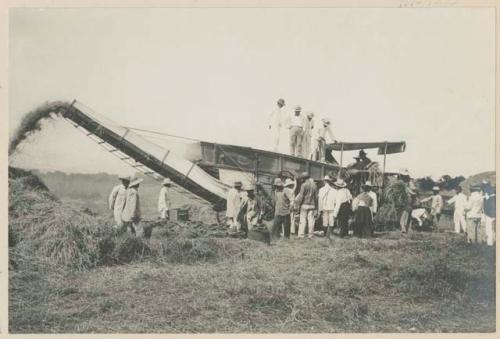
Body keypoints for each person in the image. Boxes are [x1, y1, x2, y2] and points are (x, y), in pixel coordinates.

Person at [294, 171, 318, 239]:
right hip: (312, 205)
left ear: (304, 178)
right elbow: (316, 197)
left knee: (303, 220)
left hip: (304, 205)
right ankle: (310, 235)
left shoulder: (304, 185)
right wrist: (316, 207)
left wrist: (297, 204)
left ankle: (301, 235)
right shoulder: (314, 185)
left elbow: (301, 196)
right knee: (311, 221)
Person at [398, 169, 417, 233]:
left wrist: (407, 189)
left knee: (404, 215)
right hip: (403, 200)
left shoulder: (409, 182)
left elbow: (413, 191)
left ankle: (403, 228)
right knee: (404, 215)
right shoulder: (402, 182)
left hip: (408, 200)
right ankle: (404, 228)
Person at [482, 181, 496, 246]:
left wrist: (485, 212)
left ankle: (490, 243)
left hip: (489, 213)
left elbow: (487, 202)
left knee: (489, 228)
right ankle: (494, 240)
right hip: (495, 212)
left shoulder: (486, 191)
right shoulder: (493, 190)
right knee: (494, 228)